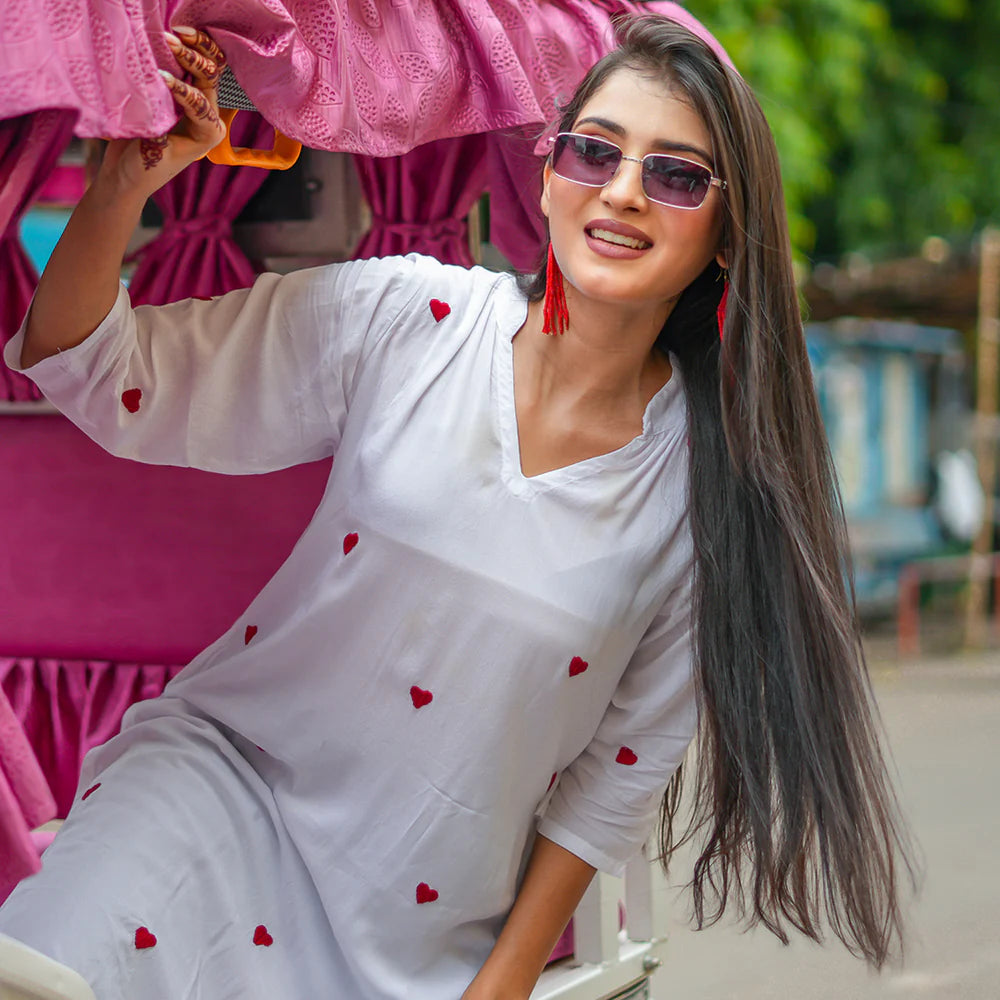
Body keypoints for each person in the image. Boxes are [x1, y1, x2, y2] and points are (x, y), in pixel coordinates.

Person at [0, 14, 914, 1000]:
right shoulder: (411, 318)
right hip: (214, 789)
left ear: (728, 229)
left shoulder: (708, 489)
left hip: (415, 924)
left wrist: (502, 983)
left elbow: (617, 770)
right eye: (594, 151)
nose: (618, 192)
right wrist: (122, 184)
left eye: (675, 175)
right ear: (549, 170)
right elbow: (95, 371)